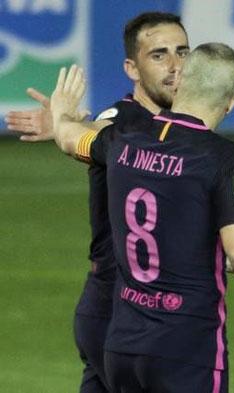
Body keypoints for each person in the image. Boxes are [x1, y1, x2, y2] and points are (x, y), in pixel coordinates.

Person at [50, 43, 234, 393]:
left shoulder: (122, 139)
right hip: (186, 347)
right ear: (233, 102)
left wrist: (60, 114)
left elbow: (70, 140)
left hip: (123, 344)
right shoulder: (223, 157)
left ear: (179, 83)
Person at [4, 12, 190, 393]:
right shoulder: (124, 118)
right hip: (119, 311)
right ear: (131, 69)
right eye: (159, 55)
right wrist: (66, 126)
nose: (175, 66)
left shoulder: (175, 127)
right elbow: (108, 132)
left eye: (182, 52)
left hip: (124, 310)